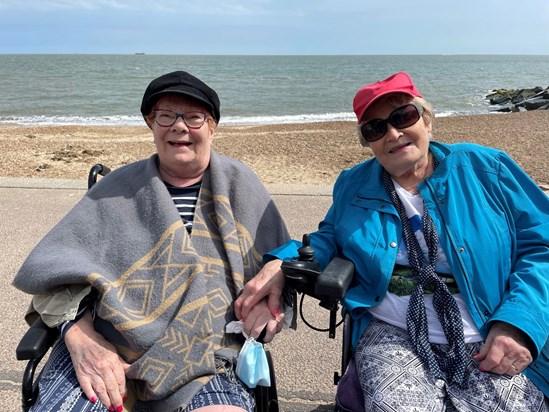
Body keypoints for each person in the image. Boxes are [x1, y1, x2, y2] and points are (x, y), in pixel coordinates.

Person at [235, 72, 549, 411]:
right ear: (368, 142)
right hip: (393, 328)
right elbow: (328, 237)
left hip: (488, 323)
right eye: (376, 128)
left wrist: (518, 321)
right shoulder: (354, 184)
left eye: (403, 117)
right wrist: (282, 263)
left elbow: (541, 246)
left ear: (427, 121)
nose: (393, 134)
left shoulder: (487, 169)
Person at [13, 70, 290, 412]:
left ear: (212, 127)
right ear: (151, 123)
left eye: (193, 116)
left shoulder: (241, 185)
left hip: (209, 358)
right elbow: (55, 271)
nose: (179, 125)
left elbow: (285, 254)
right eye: (166, 115)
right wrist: (79, 335)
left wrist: (276, 275)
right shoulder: (114, 191)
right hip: (109, 347)